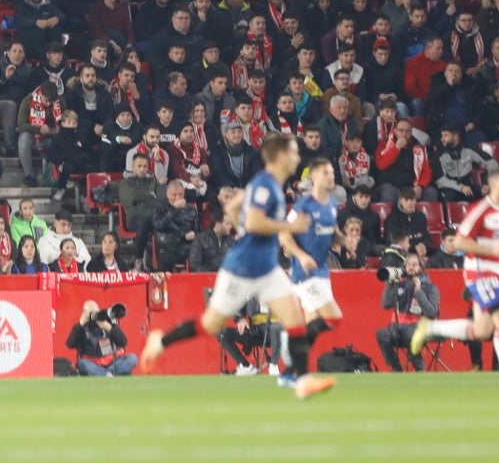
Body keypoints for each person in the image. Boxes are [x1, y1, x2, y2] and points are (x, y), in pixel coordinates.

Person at [142, 133, 335, 399]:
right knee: (210, 325)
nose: (297, 157)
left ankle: (301, 380)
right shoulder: (266, 186)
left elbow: (234, 206)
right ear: (280, 156)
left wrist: (242, 228)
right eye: (293, 152)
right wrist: (288, 226)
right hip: (242, 268)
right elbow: (254, 222)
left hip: (267, 268)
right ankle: (160, 342)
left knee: (295, 320)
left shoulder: (268, 185)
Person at [408, 167, 499, 390]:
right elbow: (460, 242)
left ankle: (430, 328)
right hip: (479, 271)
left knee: (482, 331)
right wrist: (490, 250)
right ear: (494, 184)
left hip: (496, 273)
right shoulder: (480, 210)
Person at [286, 158, 345, 368]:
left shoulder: (331, 205)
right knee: (333, 318)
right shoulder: (304, 206)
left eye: (332, 172)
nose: (331, 176)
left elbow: (334, 234)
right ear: (313, 177)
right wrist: (301, 256)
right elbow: (284, 235)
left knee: (312, 323)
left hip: (321, 270)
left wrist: (344, 240)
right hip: (305, 272)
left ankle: (295, 368)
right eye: (325, 173)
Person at [376, 253, 441, 372]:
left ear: (421, 267)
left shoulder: (430, 288)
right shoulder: (399, 284)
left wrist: (418, 292)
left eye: (414, 265)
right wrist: (390, 284)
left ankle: (419, 367)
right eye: (408, 264)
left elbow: (431, 312)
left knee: (408, 333)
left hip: (421, 328)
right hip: (398, 328)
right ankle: (396, 367)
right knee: (382, 334)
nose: (411, 267)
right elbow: (386, 304)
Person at [66, 299, 138, 376]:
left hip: (112, 363)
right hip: (93, 364)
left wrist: (109, 328)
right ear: (84, 313)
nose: (94, 314)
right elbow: (70, 344)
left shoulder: (106, 323)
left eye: (95, 311)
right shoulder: (81, 327)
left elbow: (123, 342)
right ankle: (108, 374)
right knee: (82, 364)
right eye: (90, 312)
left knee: (132, 358)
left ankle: (106, 374)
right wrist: (80, 323)